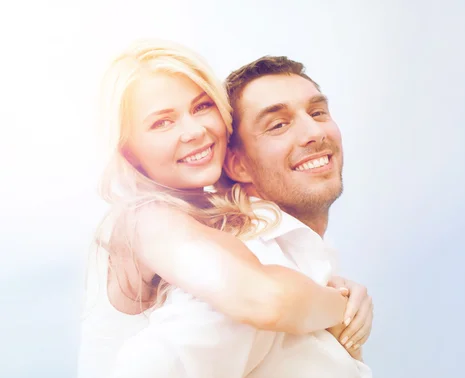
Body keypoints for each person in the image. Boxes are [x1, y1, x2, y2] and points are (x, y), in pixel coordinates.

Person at [77, 39, 372, 378]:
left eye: (202, 107)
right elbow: (263, 298)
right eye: (162, 122)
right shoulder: (145, 218)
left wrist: (335, 289)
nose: (195, 131)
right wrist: (342, 308)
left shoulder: (221, 226)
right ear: (128, 151)